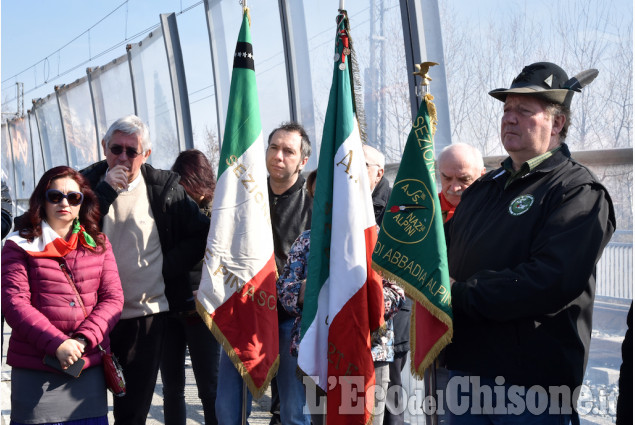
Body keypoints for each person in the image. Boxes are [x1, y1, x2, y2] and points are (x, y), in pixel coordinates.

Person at [445, 62, 615, 424]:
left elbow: (551, 280)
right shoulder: (483, 189)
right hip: (464, 373)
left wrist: (458, 294)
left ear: (557, 124)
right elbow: (449, 255)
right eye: (507, 109)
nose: (509, 118)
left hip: (532, 386)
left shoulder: (577, 191)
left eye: (524, 110)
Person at [81, 115, 210, 425]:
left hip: (146, 316)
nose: (123, 158)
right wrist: (105, 193)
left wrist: (165, 266)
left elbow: (202, 232)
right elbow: (70, 230)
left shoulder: (163, 186)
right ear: (104, 148)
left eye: (132, 151)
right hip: (92, 318)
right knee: (86, 407)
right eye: (116, 149)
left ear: (146, 154)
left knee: (134, 411)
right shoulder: (83, 185)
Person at [1, 165, 124, 425]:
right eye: (55, 196)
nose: (64, 203)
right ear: (42, 201)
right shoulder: (18, 244)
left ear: (83, 203)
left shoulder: (98, 243)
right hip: (36, 372)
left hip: (86, 368)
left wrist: (81, 340)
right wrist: (57, 344)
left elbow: (113, 299)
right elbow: (14, 303)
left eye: (73, 197)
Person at [215, 122, 313, 425]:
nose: (279, 156)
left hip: (290, 318)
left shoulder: (315, 203)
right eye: (274, 147)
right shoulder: (242, 194)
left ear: (303, 160)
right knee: (228, 409)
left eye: (288, 151)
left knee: (295, 411)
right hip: (243, 313)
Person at [159, 149, 221, 425]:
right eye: (182, 187)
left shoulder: (219, 215)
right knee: (172, 389)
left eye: (193, 188)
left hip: (203, 308)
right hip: (168, 307)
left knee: (210, 388)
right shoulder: (165, 209)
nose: (188, 195)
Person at [437, 143, 486, 223]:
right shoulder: (422, 211)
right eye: (447, 178)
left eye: (464, 179)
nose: (454, 188)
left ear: (482, 175)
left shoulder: (496, 211)